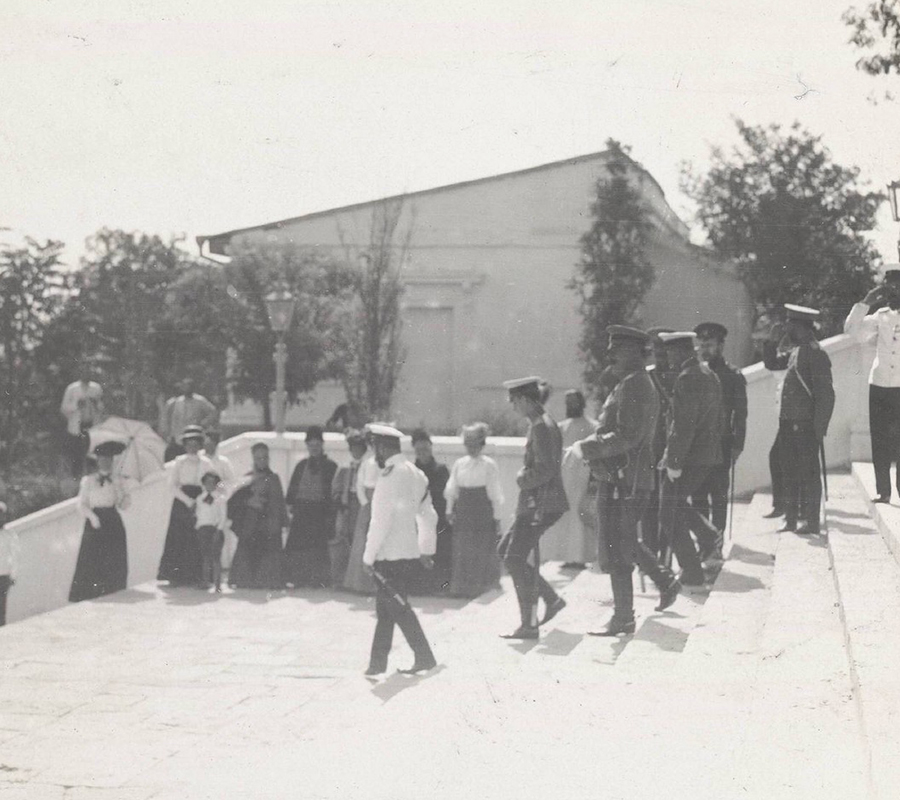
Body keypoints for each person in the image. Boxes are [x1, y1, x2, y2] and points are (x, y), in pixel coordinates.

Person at [573, 327, 681, 635]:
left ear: (634, 352)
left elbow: (627, 436)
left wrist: (588, 447)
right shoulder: (628, 383)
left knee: (618, 546)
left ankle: (624, 616)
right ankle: (662, 583)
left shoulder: (636, 385)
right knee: (620, 542)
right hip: (622, 477)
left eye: (616, 349)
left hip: (628, 479)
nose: (610, 355)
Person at [362, 423, 438, 676]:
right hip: (408, 553)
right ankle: (376, 664)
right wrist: (426, 549)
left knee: (397, 607)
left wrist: (368, 556)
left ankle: (424, 656)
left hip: (388, 555)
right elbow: (429, 516)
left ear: (383, 447)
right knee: (386, 609)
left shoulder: (389, 475)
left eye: (375, 448)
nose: (375, 454)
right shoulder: (417, 474)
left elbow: (380, 521)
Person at [497, 376, 569, 640]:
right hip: (538, 502)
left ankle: (529, 624)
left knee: (513, 558)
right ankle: (551, 599)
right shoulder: (541, 422)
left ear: (526, 400)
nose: (513, 407)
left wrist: (521, 478)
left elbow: (546, 469)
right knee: (505, 551)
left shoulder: (541, 426)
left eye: (514, 401)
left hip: (540, 503)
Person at [657, 331, 724, 588]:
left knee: (666, 512)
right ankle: (708, 536)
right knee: (673, 504)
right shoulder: (708, 374)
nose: (668, 358)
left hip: (689, 457)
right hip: (706, 454)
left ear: (683, 351)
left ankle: (692, 571)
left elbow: (683, 425)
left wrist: (673, 462)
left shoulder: (687, 378)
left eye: (671, 352)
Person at [763, 304, 835, 534]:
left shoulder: (816, 354)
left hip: (806, 426)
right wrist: (771, 342)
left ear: (802, 327)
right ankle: (791, 519)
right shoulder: (797, 351)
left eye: (790, 325)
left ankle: (811, 521)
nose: (786, 329)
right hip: (788, 423)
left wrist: (819, 428)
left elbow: (826, 394)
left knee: (808, 474)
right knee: (789, 471)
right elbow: (773, 363)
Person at [844, 271, 900, 503]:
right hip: (879, 383)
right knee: (879, 438)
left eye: (896, 286)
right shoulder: (881, 315)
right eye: (888, 288)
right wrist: (866, 301)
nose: (892, 292)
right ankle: (883, 490)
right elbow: (851, 330)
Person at [691, 322, 748, 546]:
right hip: (696, 446)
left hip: (721, 446)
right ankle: (704, 542)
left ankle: (717, 543)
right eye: (702, 344)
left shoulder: (732, 375)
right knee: (697, 496)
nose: (705, 349)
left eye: (710, 344)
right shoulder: (694, 373)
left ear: (721, 346)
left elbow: (741, 414)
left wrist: (737, 445)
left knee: (718, 497)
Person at [444, 422, 504, 597]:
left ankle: (481, 586)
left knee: (481, 548)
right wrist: (449, 509)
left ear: (482, 444)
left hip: (482, 511)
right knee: (463, 548)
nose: (471, 448)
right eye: (467, 444)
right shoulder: (459, 464)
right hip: (463, 510)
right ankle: (462, 588)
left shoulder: (489, 465)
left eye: (474, 444)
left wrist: (497, 517)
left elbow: (495, 493)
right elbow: (452, 489)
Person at [541, 389, 598, 569]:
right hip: (565, 480)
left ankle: (582, 557)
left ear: (581, 403)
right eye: (568, 403)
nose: (571, 406)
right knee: (566, 517)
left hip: (584, 479)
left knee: (581, 518)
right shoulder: (561, 427)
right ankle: (568, 556)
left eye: (574, 402)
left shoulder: (593, 427)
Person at [69, 441, 131, 602]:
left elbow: (124, 505)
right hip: (94, 522)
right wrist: (92, 517)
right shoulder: (88, 481)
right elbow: (81, 504)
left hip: (112, 521)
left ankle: (112, 591)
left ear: (112, 461)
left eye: (108, 460)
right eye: (102, 459)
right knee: (92, 558)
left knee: (113, 557)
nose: (105, 462)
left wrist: (122, 491)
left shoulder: (118, 480)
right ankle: (89, 594)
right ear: (97, 461)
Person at [157, 425, 214, 586]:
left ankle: (196, 576)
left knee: (198, 538)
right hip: (182, 502)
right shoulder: (179, 462)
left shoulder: (207, 463)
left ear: (200, 444)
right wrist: (188, 501)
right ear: (184, 444)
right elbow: (172, 485)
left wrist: (202, 500)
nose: (192, 446)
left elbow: (214, 483)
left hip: (200, 501)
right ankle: (175, 576)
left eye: (196, 442)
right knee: (178, 538)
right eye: (189, 443)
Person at [228, 442, 288, 590]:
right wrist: (248, 501)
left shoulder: (274, 478)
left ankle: (268, 580)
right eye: (258, 458)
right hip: (251, 524)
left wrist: (283, 521)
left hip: (269, 525)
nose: (262, 461)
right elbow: (234, 500)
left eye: (265, 458)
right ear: (253, 459)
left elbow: (279, 502)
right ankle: (245, 579)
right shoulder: (247, 478)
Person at [284, 426, 337, 588]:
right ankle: (298, 579)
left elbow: (333, 493)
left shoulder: (330, 466)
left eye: (317, 445)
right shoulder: (301, 466)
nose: (314, 449)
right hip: (301, 512)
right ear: (307, 446)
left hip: (319, 513)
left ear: (322, 445)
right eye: (311, 446)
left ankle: (318, 581)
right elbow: (292, 492)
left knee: (318, 548)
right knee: (299, 546)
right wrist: (291, 509)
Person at [640, 327, 675, 557]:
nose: (659, 353)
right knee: (648, 507)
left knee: (668, 507)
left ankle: (665, 554)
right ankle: (652, 555)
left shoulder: (677, 377)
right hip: (649, 451)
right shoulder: (646, 377)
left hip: (670, 449)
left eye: (664, 348)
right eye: (656, 348)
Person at [412, 428, 451, 593]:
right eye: (419, 450)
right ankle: (419, 588)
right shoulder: (411, 470)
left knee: (440, 551)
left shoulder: (441, 469)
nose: (423, 453)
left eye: (426, 449)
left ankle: (441, 587)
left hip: (438, 518)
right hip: (417, 518)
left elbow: (447, 495)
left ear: (431, 447)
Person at [330, 429, 367, 588]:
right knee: (342, 541)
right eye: (353, 448)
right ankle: (339, 579)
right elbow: (335, 489)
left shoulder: (367, 466)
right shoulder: (345, 467)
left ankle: (356, 581)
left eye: (359, 448)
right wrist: (341, 503)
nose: (356, 451)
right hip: (346, 507)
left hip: (361, 506)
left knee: (359, 541)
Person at [343, 442, 380, 594]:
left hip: (382, 504)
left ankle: (377, 584)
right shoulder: (367, 463)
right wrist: (365, 503)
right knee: (362, 543)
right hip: (367, 506)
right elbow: (359, 486)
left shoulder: (389, 464)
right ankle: (360, 584)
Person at [60, 364, 104, 479]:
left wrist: (96, 404)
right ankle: (76, 478)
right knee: (77, 453)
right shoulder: (72, 388)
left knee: (92, 451)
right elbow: (64, 408)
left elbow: (101, 407)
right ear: (80, 374)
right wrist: (76, 405)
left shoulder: (96, 388)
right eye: (84, 372)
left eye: (89, 372)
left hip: (91, 424)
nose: (86, 374)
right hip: (77, 425)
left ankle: (92, 477)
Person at [202, 429, 237, 570]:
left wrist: (218, 487)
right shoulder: (200, 460)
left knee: (220, 534)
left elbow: (230, 482)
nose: (207, 446)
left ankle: (222, 567)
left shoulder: (223, 462)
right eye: (206, 443)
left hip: (218, 501)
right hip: (203, 502)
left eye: (211, 443)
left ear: (216, 444)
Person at [161, 379, 218, 462]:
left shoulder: (199, 400)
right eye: (185, 387)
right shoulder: (177, 402)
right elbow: (174, 420)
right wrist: (171, 434)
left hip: (194, 435)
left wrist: (203, 423)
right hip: (179, 437)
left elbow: (213, 412)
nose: (187, 389)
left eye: (189, 387)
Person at [196, 471, 227, 593]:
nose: (210, 485)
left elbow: (223, 516)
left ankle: (218, 584)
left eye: (212, 482)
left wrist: (218, 530)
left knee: (216, 558)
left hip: (215, 531)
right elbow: (199, 515)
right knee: (205, 557)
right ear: (203, 483)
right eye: (207, 482)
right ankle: (205, 581)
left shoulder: (220, 498)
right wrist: (198, 528)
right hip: (203, 530)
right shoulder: (199, 499)